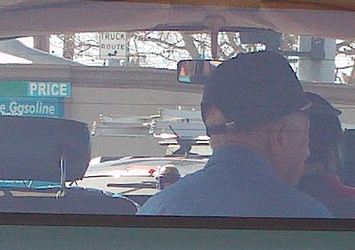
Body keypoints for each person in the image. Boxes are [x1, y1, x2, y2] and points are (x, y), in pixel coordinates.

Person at [140, 50, 330, 218]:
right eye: (306, 136)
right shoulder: (309, 219)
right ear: (278, 137)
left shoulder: (157, 209)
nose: (308, 152)